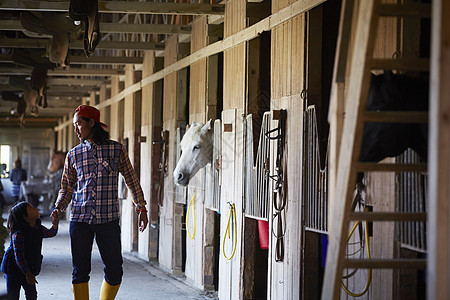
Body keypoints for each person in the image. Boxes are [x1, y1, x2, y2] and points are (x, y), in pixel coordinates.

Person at [50, 105, 148, 300]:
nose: (76, 129)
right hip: (80, 219)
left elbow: (131, 179)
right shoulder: (73, 155)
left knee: (114, 271)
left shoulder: (116, 149)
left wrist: (141, 207)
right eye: (74, 125)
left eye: (79, 124)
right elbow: (67, 188)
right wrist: (58, 208)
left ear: (91, 123)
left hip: (108, 220)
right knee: (80, 271)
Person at [1, 201, 59, 299]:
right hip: (13, 268)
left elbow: (50, 233)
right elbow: (19, 257)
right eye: (30, 208)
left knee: (32, 295)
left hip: (28, 267)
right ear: (25, 217)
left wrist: (55, 224)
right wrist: (27, 273)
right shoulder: (19, 233)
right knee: (13, 296)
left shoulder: (37, 227)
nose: (34, 208)